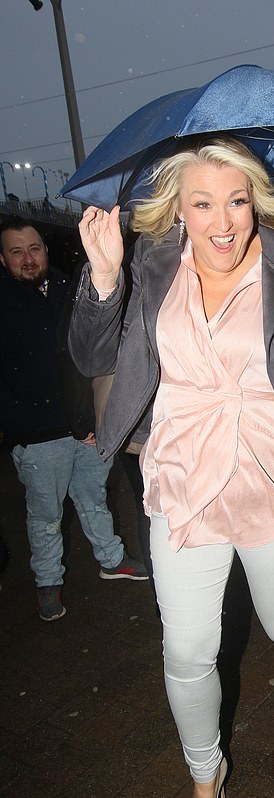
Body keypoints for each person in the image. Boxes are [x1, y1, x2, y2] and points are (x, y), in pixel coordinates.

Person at [68, 136, 274, 798]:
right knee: (189, 649)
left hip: (271, 472)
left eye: (237, 200)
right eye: (202, 203)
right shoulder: (152, 265)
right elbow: (93, 357)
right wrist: (102, 281)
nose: (223, 221)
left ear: (257, 200)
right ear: (177, 209)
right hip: (185, 476)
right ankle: (203, 773)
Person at [0, 216, 148, 622]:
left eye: (34, 249)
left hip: (84, 427)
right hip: (37, 434)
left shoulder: (71, 286)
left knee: (94, 500)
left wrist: (94, 419)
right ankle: (48, 582)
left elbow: (88, 357)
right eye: (16, 252)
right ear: (3, 258)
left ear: (45, 250)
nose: (28, 259)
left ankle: (112, 559)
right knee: (45, 516)